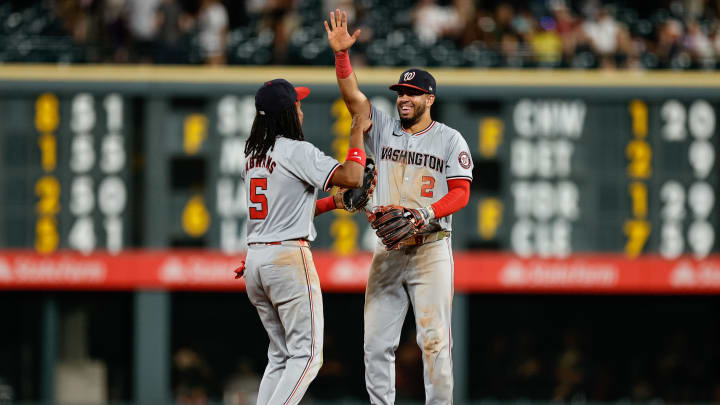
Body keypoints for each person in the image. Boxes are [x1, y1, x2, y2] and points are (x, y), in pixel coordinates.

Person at [324, 9, 473, 404]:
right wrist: (342, 57)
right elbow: (353, 98)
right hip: (389, 249)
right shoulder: (385, 128)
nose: (403, 98)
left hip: (430, 247)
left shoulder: (450, 140)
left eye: (411, 93)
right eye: (400, 93)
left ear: (429, 98)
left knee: (435, 343)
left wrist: (426, 213)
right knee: (375, 345)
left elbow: (461, 193)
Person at [237, 78, 370, 405]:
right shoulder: (295, 150)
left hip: (256, 260)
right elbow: (353, 176)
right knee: (308, 356)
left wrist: (331, 203)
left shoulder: (252, 154)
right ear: (287, 112)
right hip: (286, 259)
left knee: (280, 356)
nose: (302, 109)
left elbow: (287, 208)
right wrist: (356, 132)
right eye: (297, 104)